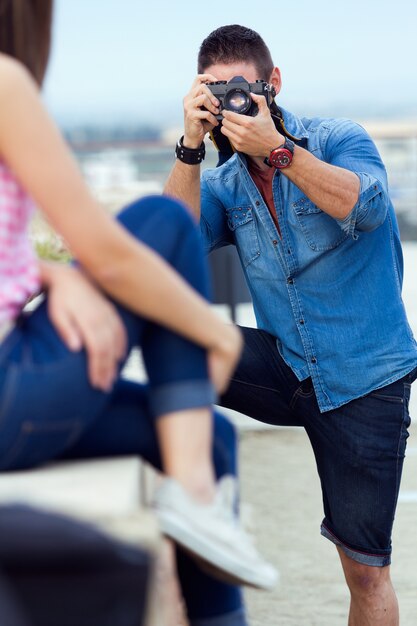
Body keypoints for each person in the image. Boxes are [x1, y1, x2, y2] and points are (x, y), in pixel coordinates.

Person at [0, 5, 278, 626]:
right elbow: (113, 255)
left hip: (14, 396)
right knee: (160, 224)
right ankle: (198, 501)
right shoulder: (4, 84)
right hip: (10, 391)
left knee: (215, 439)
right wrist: (213, 333)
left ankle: (200, 507)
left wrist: (48, 275)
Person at [164, 23, 417, 626]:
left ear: (271, 84)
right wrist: (190, 147)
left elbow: (368, 205)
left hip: (365, 380)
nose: (231, 105)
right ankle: (197, 498)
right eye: (216, 93)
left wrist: (276, 149)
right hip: (286, 367)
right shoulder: (224, 183)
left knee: (364, 569)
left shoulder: (338, 138)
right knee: (176, 336)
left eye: (241, 91)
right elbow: (169, 250)